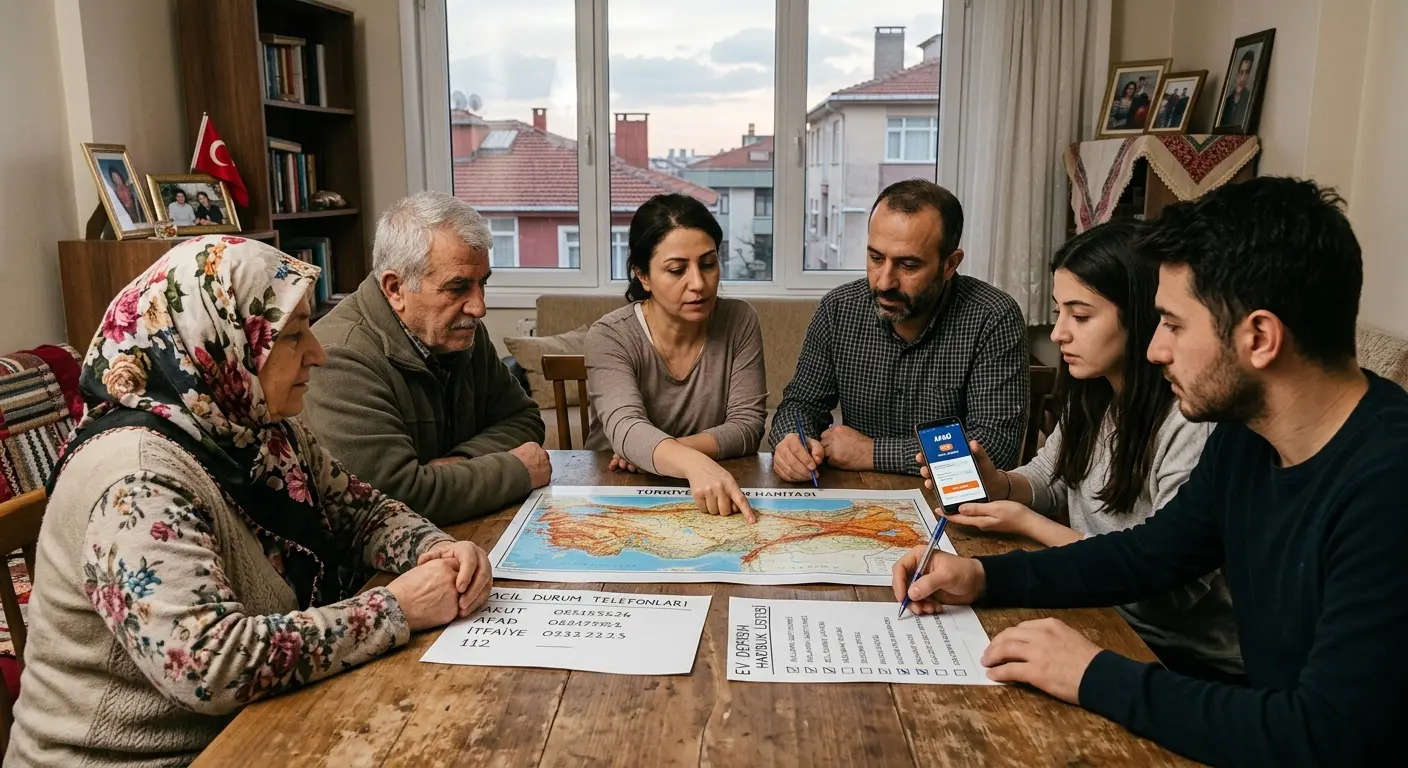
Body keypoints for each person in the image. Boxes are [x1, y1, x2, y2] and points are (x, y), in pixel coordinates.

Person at [891, 177, 1408, 766]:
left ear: (1259, 337)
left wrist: (1092, 673)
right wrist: (983, 578)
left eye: (1174, 325)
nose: (1156, 349)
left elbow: (1324, 735)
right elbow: (1149, 555)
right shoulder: (1249, 437)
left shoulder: (1388, 485)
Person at [5, 236, 490, 767]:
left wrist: (435, 549)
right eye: (293, 335)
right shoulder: (134, 479)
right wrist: (396, 607)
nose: (318, 354)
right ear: (219, 341)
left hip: (253, 728)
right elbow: (211, 665)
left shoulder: (255, 427)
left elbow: (361, 513)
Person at [914, 220, 1240, 680]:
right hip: (1095, 607)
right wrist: (1001, 484)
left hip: (1175, 652)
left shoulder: (1192, 421)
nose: (1060, 333)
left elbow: (1168, 585)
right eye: (1058, 311)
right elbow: (1051, 475)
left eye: (1080, 316)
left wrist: (1031, 523)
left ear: (1144, 318)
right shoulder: (1097, 393)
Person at [302, 191, 549, 525]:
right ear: (395, 288)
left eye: (482, 284)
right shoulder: (339, 358)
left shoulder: (461, 333)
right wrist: (516, 470)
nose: (479, 307)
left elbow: (524, 418)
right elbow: (391, 499)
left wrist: (462, 460)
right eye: (458, 287)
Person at [769, 179, 1027, 483]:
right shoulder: (839, 309)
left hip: (952, 508)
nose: (884, 282)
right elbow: (802, 403)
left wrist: (873, 453)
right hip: (859, 497)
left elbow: (996, 446)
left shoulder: (993, 317)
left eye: (908, 265)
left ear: (950, 264)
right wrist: (791, 440)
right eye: (876, 258)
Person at [585, 193, 767, 521]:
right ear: (642, 276)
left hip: (709, 495)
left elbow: (747, 426)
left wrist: (653, 452)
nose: (698, 283)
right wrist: (688, 461)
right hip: (618, 494)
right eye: (676, 270)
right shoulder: (610, 335)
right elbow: (626, 427)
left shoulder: (740, 320)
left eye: (708, 264)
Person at [1219, 50, 1256, 129]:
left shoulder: (1250, 101)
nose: (1242, 78)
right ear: (1237, 73)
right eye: (1241, 72)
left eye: (1246, 73)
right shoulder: (1226, 102)